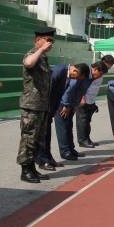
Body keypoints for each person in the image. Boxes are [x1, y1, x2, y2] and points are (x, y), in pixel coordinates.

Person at [17, 26, 56, 183]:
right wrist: (40, 50)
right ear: (38, 40)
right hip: (31, 106)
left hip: (42, 106)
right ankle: (25, 170)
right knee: (29, 138)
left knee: (38, 139)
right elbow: (28, 63)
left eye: (52, 41)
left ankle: (32, 167)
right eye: (48, 40)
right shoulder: (33, 54)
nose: (50, 44)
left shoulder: (43, 58)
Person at [38, 63, 89, 169]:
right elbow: (45, 90)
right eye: (78, 77)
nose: (77, 80)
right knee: (42, 135)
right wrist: (46, 107)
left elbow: (59, 93)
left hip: (51, 107)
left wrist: (56, 108)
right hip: (43, 107)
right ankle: (42, 161)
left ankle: (48, 158)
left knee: (47, 134)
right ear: (75, 71)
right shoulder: (58, 71)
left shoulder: (67, 75)